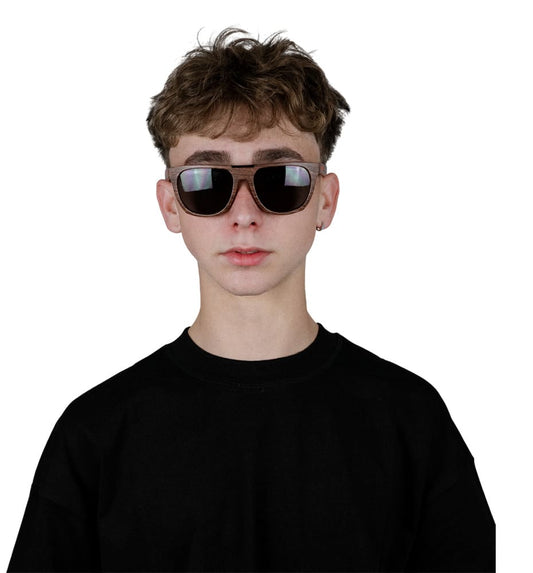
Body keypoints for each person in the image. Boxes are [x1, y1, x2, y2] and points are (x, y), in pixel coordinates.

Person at [8, 28, 495, 572]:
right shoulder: (95, 434)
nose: (244, 214)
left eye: (281, 180)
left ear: (325, 201)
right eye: (207, 181)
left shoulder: (411, 423)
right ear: (170, 205)